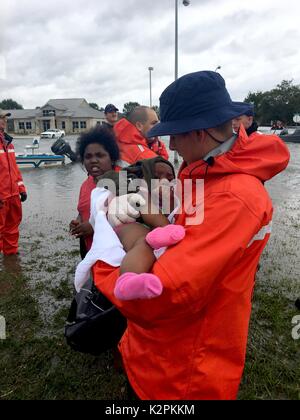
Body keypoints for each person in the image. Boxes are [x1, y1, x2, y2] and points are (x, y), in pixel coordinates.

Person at [91, 71, 290, 400]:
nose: (170, 145)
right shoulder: (212, 171)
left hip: (183, 373)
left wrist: (103, 258)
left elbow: (163, 294)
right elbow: (182, 230)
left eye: (175, 135)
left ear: (200, 132)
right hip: (159, 354)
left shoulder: (234, 196)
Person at [74, 157, 185, 300]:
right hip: (127, 228)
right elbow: (154, 217)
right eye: (157, 177)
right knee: (143, 242)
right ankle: (127, 281)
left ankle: (158, 238)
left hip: (147, 229)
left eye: (170, 178)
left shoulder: (172, 197)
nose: (164, 181)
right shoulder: (136, 189)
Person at [69, 126, 120, 257]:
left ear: (112, 158)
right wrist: (77, 222)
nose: (93, 160)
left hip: (115, 255)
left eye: (100, 155)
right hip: (91, 252)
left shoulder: (123, 181)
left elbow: (132, 220)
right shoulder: (85, 185)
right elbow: (82, 212)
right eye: (88, 156)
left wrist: (94, 227)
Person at [0, 110, 27, 256]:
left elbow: (14, 169)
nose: (4, 120)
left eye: (4, 118)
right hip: (1, 196)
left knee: (12, 227)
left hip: (13, 195)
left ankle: (10, 256)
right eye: (1, 118)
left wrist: (21, 188)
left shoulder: (8, 143)